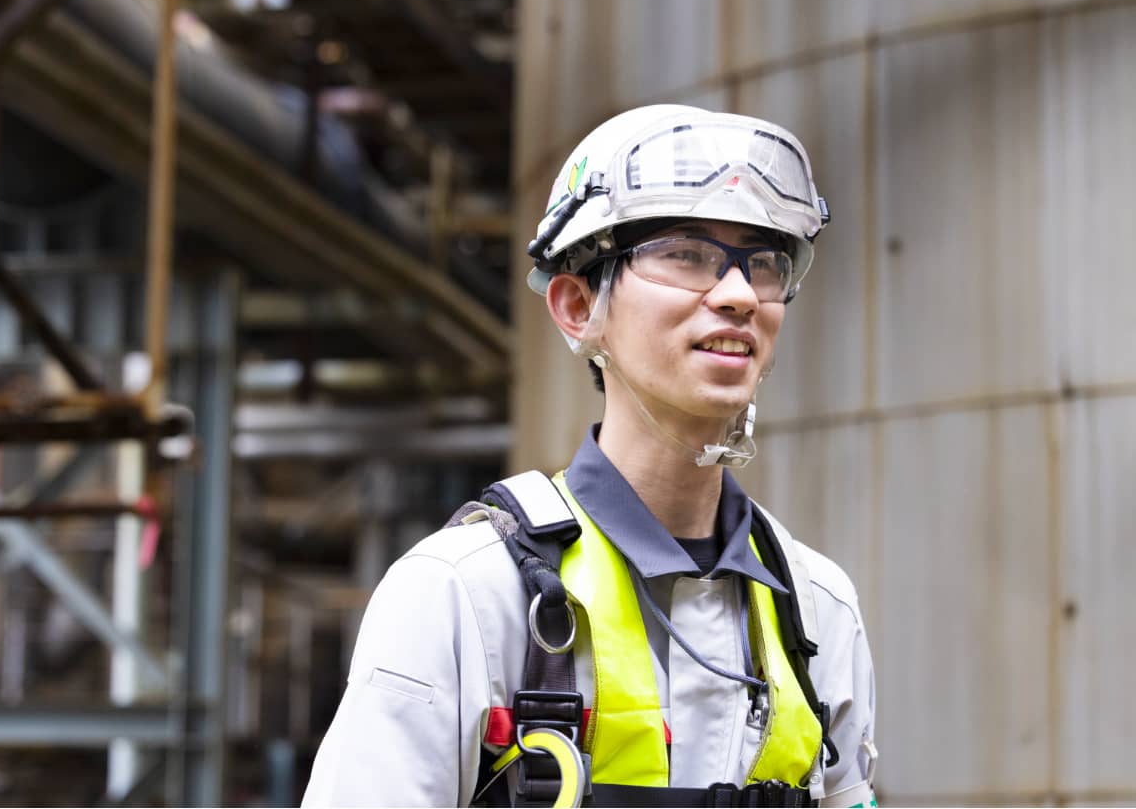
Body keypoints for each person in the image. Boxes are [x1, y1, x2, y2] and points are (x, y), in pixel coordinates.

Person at [303, 105, 877, 808]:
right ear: (578, 306)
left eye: (762, 264)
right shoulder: (466, 594)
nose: (738, 295)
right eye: (686, 255)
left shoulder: (816, 610)